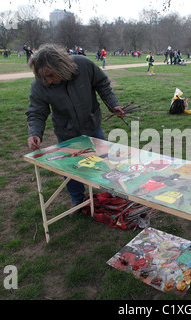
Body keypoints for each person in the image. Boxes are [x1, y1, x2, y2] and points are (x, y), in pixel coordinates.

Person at [25, 44, 125, 215]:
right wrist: (34, 132)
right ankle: (77, 200)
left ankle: (112, 193)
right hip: (66, 133)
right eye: (43, 76)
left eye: (51, 75)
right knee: (70, 170)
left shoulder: (83, 65)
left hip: (92, 126)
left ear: (61, 67)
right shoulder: (40, 84)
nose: (47, 80)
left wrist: (113, 104)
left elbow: (102, 84)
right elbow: (36, 111)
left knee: (104, 162)